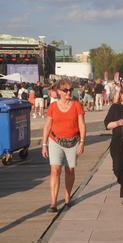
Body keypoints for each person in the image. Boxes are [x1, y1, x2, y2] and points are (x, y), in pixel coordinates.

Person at [42, 79, 86, 212]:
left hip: (73, 142)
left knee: (70, 170)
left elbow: (82, 125)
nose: (69, 92)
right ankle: (53, 203)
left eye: (70, 90)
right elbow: (47, 126)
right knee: (55, 170)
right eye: (65, 90)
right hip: (55, 141)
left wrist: (82, 142)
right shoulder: (53, 107)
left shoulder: (77, 105)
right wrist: (44, 144)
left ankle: (67, 196)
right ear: (59, 92)